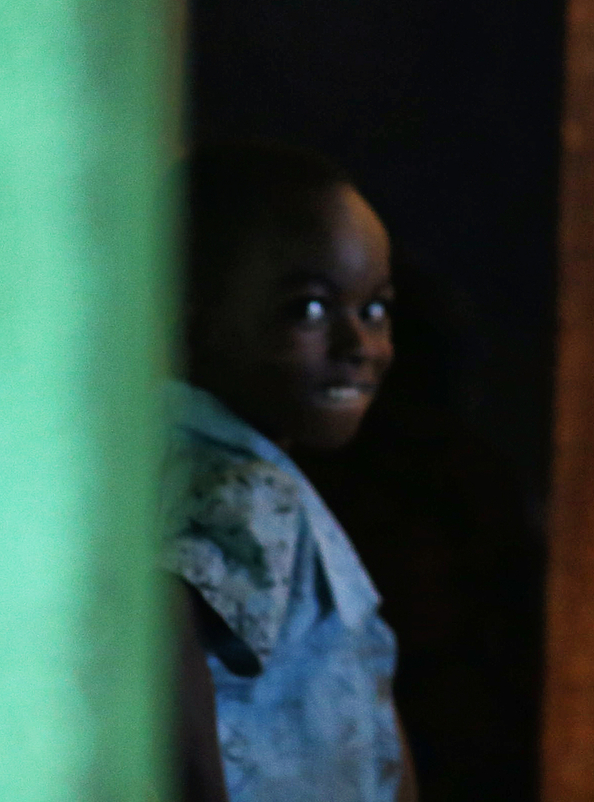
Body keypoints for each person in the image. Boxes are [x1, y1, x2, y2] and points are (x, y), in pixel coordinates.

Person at [167, 140, 420, 802]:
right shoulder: (245, 487)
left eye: (376, 309)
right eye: (308, 308)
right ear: (190, 315)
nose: (358, 345)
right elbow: (168, 646)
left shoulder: (171, 461)